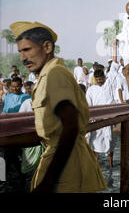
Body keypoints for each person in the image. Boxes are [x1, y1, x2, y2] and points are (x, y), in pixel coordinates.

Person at [9, 21, 106, 193]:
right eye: (20, 52)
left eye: (27, 50)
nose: (23, 58)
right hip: (66, 163)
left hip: (66, 170)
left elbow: (70, 127)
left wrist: (48, 182)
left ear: (47, 47)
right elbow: (54, 130)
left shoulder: (54, 75)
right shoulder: (48, 76)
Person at [86, 69, 115, 168]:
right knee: (95, 144)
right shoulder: (91, 89)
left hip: (107, 119)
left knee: (109, 143)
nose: (99, 82)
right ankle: (95, 166)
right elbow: (88, 104)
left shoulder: (109, 86)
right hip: (96, 120)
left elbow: (112, 101)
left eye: (101, 79)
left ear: (104, 77)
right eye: (97, 80)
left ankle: (111, 165)